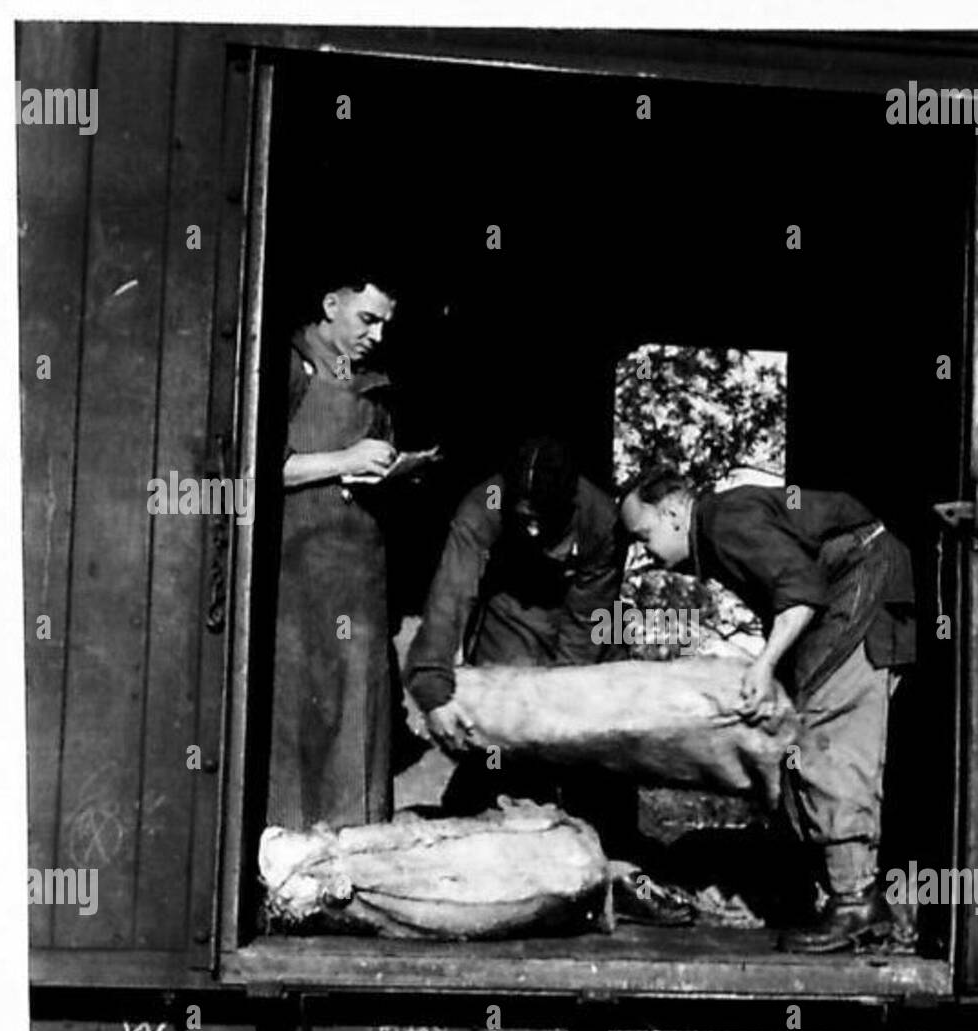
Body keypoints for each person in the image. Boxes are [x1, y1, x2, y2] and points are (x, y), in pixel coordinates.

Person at [619, 468, 917, 953]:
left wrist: (763, 668)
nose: (644, 552)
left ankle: (855, 901)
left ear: (672, 513)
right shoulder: (719, 531)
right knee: (806, 729)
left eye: (643, 534)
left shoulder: (724, 522)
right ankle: (838, 891)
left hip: (862, 582)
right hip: (862, 584)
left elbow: (799, 594)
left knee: (825, 732)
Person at [404, 437, 633, 846]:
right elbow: (451, 594)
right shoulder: (483, 505)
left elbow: (587, 622)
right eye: (522, 516)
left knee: (586, 727)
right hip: (511, 604)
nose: (530, 528)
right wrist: (432, 686)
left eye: (541, 519)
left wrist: (561, 700)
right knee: (502, 728)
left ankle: (612, 847)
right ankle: (474, 826)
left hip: (583, 616)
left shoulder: (601, 518)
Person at [266, 271, 402, 830]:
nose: (377, 335)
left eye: (385, 325)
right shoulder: (287, 365)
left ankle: (358, 856)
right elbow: (257, 469)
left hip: (359, 572)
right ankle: (291, 854)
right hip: (299, 571)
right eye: (367, 320)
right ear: (330, 304)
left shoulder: (368, 379)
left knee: (360, 710)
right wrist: (345, 462)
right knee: (298, 706)